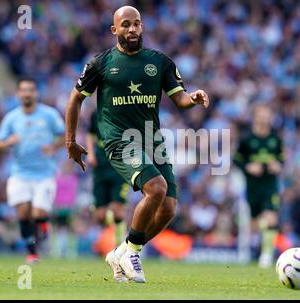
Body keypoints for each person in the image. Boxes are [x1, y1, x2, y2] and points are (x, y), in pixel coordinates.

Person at [65, 6, 209, 283]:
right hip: (119, 139)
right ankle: (131, 253)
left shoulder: (160, 62)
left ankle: (122, 250)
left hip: (152, 140)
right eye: (126, 25)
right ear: (114, 30)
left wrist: (193, 97)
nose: (132, 29)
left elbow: (179, 99)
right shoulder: (101, 64)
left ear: (142, 27)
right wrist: (70, 140)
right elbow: (75, 98)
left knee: (167, 208)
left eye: (137, 24)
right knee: (156, 188)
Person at [0, 77, 65, 263]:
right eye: (24, 90)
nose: (27, 93)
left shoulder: (49, 115)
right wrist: (8, 142)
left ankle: (43, 225)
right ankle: (32, 252)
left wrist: (54, 147)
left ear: (36, 93)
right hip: (20, 174)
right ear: (18, 94)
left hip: (45, 173)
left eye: (31, 90)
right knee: (23, 214)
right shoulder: (11, 118)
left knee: (38, 213)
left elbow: (65, 134)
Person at [234, 104, 283, 268]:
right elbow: (237, 159)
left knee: (270, 217)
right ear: (255, 117)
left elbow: (281, 158)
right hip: (252, 186)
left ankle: (266, 255)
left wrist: (278, 165)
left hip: (270, 185)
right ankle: (252, 250)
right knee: (255, 223)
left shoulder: (275, 139)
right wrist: (248, 166)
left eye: (267, 114)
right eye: (261, 114)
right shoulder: (247, 139)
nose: (265, 118)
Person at [86, 110, 128, 247]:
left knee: (117, 209)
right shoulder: (96, 113)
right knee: (100, 216)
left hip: (120, 167)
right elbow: (90, 134)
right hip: (101, 167)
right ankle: (114, 226)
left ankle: (120, 246)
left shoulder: (124, 110)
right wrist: (90, 154)